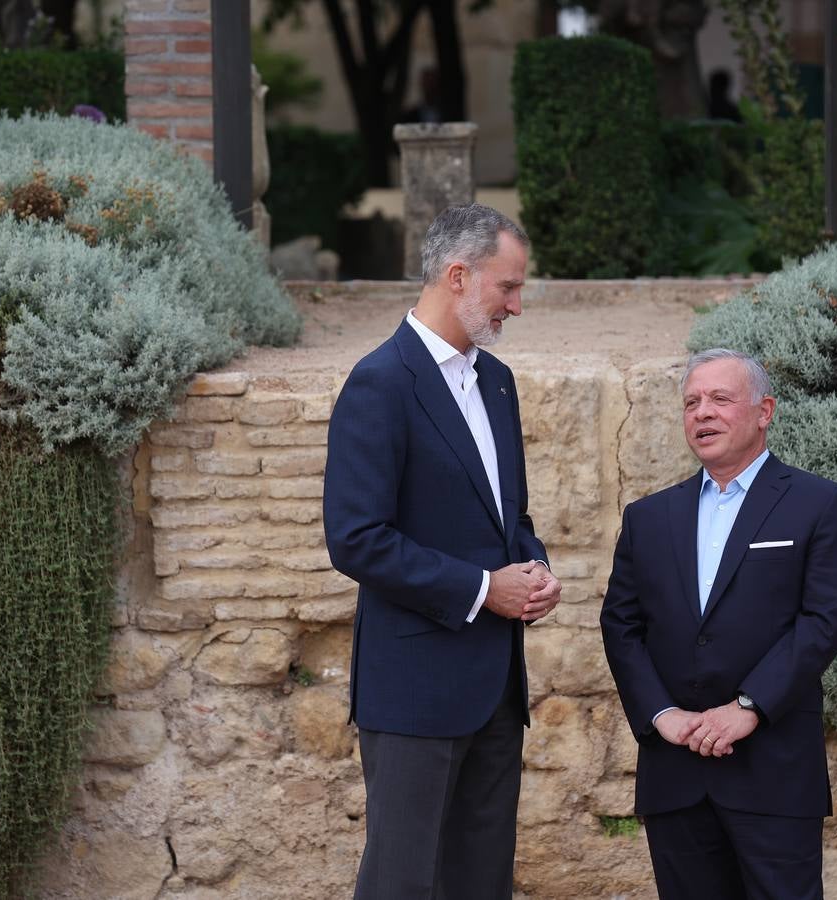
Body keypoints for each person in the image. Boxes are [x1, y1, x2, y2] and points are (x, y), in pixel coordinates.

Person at [323, 204, 561, 900]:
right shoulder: (381, 382)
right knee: (403, 884)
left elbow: (506, 517)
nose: (517, 306)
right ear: (458, 275)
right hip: (414, 692)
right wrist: (487, 589)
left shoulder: (497, 381)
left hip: (495, 688)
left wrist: (534, 567)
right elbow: (356, 537)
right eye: (508, 288)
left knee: (481, 884)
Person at [600, 348, 837, 900]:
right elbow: (621, 625)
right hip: (675, 770)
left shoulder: (818, 503)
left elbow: (823, 620)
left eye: (721, 399)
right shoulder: (647, 518)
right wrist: (662, 715)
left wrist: (748, 708)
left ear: (764, 411)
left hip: (773, 771)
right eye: (692, 402)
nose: (703, 413)